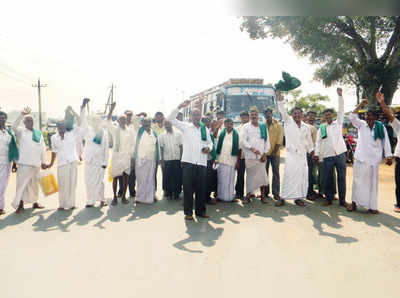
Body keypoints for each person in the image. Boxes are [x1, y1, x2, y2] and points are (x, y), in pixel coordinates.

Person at [168, 101, 213, 220]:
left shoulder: (205, 130)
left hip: (202, 162)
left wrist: (209, 148)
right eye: (194, 115)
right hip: (189, 162)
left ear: (201, 117)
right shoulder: (185, 126)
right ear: (191, 116)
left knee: (201, 189)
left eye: (198, 115)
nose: (196, 117)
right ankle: (188, 213)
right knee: (188, 189)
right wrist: (179, 106)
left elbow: (210, 142)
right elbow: (170, 118)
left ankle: (200, 212)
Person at [346, 98, 392, 214]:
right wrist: (360, 105)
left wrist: (388, 156)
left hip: (374, 161)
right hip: (361, 159)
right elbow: (352, 116)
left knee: (372, 183)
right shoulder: (361, 125)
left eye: (370, 115)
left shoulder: (381, 127)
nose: (367, 117)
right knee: (357, 182)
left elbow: (385, 142)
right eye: (366, 115)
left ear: (376, 118)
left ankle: (372, 206)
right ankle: (354, 203)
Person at [276, 90, 314, 207]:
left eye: (299, 113)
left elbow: (308, 141)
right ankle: (283, 197)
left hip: (302, 155)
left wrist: (312, 151)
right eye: (295, 113)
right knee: (288, 176)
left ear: (302, 115)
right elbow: (282, 109)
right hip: (291, 155)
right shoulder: (288, 122)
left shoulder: (306, 127)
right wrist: (279, 97)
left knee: (301, 177)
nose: (297, 115)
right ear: (292, 115)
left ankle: (298, 198)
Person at [314, 88, 348, 207]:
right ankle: (328, 198)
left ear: (332, 115)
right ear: (324, 117)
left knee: (341, 178)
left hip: (340, 155)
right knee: (328, 178)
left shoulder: (338, 123)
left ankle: (342, 201)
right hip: (327, 156)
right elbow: (318, 142)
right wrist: (317, 154)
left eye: (329, 115)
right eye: (326, 115)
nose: (328, 116)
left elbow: (341, 110)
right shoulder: (322, 128)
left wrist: (340, 96)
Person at [11, 107, 47, 213]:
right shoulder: (21, 132)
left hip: (36, 163)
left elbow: (43, 148)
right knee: (22, 185)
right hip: (24, 163)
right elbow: (13, 126)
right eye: (27, 120)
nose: (30, 122)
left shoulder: (38, 133)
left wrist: (43, 161)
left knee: (34, 185)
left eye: (31, 120)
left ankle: (35, 202)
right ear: (24, 122)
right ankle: (20, 204)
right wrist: (22, 114)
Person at [47, 109, 82, 210]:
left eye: (63, 126)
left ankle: (72, 204)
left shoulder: (72, 133)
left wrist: (73, 111)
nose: (61, 128)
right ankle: (62, 205)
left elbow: (79, 121)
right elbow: (54, 151)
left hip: (73, 162)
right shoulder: (54, 137)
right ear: (57, 127)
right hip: (61, 164)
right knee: (62, 184)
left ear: (65, 126)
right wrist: (50, 164)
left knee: (72, 183)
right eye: (60, 126)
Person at [79, 99, 109, 207]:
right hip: (89, 160)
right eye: (94, 121)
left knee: (100, 182)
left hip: (100, 161)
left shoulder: (103, 133)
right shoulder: (88, 129)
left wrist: (105, 162)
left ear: (100, 122)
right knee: (89, 181)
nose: (96, 122)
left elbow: (105, 148)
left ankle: (102, 199)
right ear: (92, 122)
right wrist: (83, 106)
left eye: (98, 121)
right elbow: (82, 119)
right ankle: (90, 201)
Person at [107, 103, 136, 206]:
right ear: (118, 121)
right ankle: (115, 197)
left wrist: (132, 158)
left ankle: (124, 196)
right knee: (115, 177)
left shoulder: (129, 131)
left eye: (124, 120)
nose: (123, 121)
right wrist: (111, 109)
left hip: (126, 157)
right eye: (121, 120)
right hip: (116, 157)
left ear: (126, 121)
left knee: (126, 177)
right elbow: (108, 121)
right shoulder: (115, 129)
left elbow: (132, 144)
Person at [241, 106, 270, 204]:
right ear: (249, 116)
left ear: (258, 116)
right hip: (250, 156)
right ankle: (248, 195)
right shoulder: (246, 127)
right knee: (250, 176)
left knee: (262, 176)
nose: (253, 116)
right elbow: (243, 140)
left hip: (261, 157)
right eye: (252, 115)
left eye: (255, 115)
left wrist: (265, 154)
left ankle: (262, 196)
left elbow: (267, 142)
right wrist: (251, 148)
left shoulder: (263, 126)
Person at [376, 92, 400, 212]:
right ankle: (399, 204)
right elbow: (388, 114)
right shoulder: (399, 125)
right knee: (399, 181)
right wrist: (382, 102)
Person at [130, 117, 160, 204]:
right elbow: (136, 145)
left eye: (148, 122)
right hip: (141, 159)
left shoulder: (154, 132)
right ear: (142, 123)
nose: (146, 124)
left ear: (150, 123)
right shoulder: (139, 131)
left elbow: (156, 146)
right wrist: (134, 158)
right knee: (141, 179)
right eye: (144, 122)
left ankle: (150, 196)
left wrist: (158, 158)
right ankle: (139, 197)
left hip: (151, 159)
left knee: (150, 179)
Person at [215, 118, 240, 202]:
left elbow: (239, 149)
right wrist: (217, 127)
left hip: (232, 161)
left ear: (232, 125)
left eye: (230, 124)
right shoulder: (221, 133)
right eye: (227, 124)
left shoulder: (236, 134)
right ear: (224, 125)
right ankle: (220, 196)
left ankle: (230, 197)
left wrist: (238, 161)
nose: (229, 126)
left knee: (230, 179)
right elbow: (214, 136)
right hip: (221, 160)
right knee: (221, 179)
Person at [159, 120, 183, 200]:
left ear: (171, 124)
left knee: (177, 176)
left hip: (177, 159)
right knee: (167, 177)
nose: (167, 126)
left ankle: (177, 193)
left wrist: (181, 158)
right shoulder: (162, 136)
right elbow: (161, 148)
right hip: (167, 159)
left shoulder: (178, 134)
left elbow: (181, 147)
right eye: (165, 125)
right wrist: (162, 160)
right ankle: (168, 193)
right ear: (164, 126)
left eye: (168, 124)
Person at [0, 111, 18, 215]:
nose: (2, 120)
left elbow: (13, 147)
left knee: (2, 185)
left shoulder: (8, 132)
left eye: (3, 118)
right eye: (0, 118)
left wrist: (15, 163)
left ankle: (0, 207)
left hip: (6, 161)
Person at [264, 108, 283, 201]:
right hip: (265, 154)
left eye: (269, 113)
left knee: (276, 173)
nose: (268, 115)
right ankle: (265, 193)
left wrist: (274, 152)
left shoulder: (278, 125)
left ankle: (276, 193)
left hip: (275, 154)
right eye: (266, 114)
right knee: (265, 173)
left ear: (272, 114)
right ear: (264, 115)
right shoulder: (261, 125)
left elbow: (279, 140)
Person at [202, 117, 217, 205]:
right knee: (199, 180)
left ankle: (207, 197)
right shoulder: (198, 133)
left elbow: (213, 149)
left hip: (209, 160)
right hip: (199, 161)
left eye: (209, 122)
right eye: (205, 122)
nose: (207, 124)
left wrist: (215, 158)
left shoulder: (210, 133)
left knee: (208, 180)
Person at [235, 111, 249, 199]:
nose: (244, 118)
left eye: (245, 117)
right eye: (242, 117)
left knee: (251, 175)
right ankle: (239, 193)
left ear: (248, 117)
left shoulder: (252, 127)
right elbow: (237, 143)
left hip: (251, 155)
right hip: (241, 154)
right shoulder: (238, 128)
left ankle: (250, 192)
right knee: (240, 174)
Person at [306, 110, 318, 200]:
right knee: (309, 174)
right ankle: (308, 192)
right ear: (307, 117)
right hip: (308, 154)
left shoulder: (314, 127)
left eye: (313, 116)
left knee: (311, 173)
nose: (312, 118)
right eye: (310, 116)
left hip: (311, 153)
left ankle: (310, 190)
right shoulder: (308, 127)